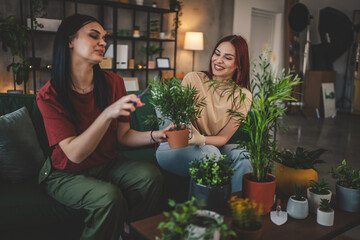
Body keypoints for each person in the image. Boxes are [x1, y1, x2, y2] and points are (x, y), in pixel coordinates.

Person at [36, 14, 172, 240]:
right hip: (65, 173)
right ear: (70, 41)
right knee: (108, 197)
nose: (103, 43)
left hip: (107, 163)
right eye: (93, 36)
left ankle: (129, 232)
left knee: (150, 176)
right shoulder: (50, 94)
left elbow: (124, 135)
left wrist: (156, 135)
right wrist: (108, 113)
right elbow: (75, 154)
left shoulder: (113, 83)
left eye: (104, 38)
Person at [156, 35, 253, 193]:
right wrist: (193, 138)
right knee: (210, 153)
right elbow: (182, 123)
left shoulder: (243, 95)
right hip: (175, 147)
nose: (218, 60)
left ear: (239, 64)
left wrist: (200, 139)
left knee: (243, 154)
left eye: (227, 57)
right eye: (217, 53)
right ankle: (198, 213)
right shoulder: (194, 79)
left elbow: (223, 138)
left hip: (208, 145)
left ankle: (237, 208)